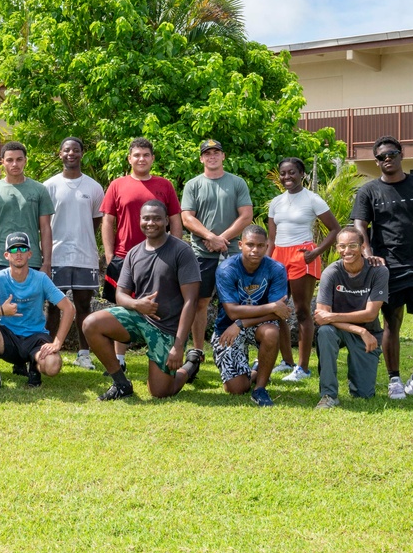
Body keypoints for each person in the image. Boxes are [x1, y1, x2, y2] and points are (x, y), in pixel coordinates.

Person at [351, 135, 413, 402]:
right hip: (388, 268)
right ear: (376, 162)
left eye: (391, 154)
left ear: (401, 154)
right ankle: (395, 380)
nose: (387, 160)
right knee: (391, 323)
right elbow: (360, 225)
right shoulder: (369, 191)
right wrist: (369, 254)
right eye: (381, 157)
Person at [82, 200, 202, 401]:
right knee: (90, 323)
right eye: (146, 218)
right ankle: (121, 384)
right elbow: (120, 295)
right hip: (139, 318)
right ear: (140, 221)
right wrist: (137, 304)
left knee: (160, 391)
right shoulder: (134, 253)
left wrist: (178, 346)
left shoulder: (181, 251)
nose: (151, 222)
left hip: (166, 328)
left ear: (166, 221)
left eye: (157, 218)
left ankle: (190, 365)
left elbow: (191, 301)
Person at [100, 137, 182, 372]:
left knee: (161, 304)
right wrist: (109, 256)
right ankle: (120, 359)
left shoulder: (164, 185)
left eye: (146, 155)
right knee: (124, 306)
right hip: (124, 256)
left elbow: (175, 220)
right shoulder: (117, 185)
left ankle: (162, 352)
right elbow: (108, 221)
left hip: (161, 257)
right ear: (129, 159)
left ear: (152, 158)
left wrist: (176, 251)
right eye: (136, 155)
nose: (141, 159)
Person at [181, 138, 253, 367]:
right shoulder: (193, 184)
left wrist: (223, 239)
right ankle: (197, 351)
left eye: (216, 152)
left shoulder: (237, 182)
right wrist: (211, 238)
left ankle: (230, 349)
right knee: (199, 302)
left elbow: (246, 216)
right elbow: (187, 217)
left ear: (223, 156)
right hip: (201, 253)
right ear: (201, 158)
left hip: (232, 254)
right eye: (207, 153)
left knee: (232, 303)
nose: (212, 156)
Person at [267, 157, 340, 382]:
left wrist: (317, 252)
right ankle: (286, 361)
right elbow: (271, 238)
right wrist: (267, 263)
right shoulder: (276, 202)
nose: (287, 177)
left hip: (303, 255)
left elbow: (335, 229)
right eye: (283, 173)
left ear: (302, 174)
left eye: (292, 173)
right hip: (279, 255)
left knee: (301, 311)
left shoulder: (312, 199)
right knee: (277, 309)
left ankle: (303, 367)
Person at [0, 233, 74, 391]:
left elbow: (69, 308)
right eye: (13, 250)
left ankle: (34, 367)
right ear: (6, 255)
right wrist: (1, 310)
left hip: (35, 338)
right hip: (8, 338)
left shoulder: (41, 279)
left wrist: (57, 343)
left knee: (53, 366)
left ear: (30, 254)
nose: (18, 253)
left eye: (23, 248)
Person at [43, 137, 105, 370]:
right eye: (67, 150)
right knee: (53, 306)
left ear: (81, 154)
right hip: (56, 256)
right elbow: (44, 223)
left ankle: (84, 354)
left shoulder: (94, 187)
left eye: (76, 150)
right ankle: (48, 351)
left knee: (84, 307)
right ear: (60, 154)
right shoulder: (48, 186)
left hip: (84, 256)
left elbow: (96, 222)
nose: (71, 154)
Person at [211, 225, 289, 407]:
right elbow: (232, 311)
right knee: (236, 389)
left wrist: (240, 323)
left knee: (271, 332)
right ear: (240, 245)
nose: (255, 250)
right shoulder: (226, 269)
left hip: (249, 325)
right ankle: (256, 371)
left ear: (267, 246)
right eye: (250, 245)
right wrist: (270, 307)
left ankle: (260, 389)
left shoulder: (276, 269)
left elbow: (279, 314)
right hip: (227, 327)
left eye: (261, 246)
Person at [312, 226, 389, 409]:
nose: (347, 251)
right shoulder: (331, 273)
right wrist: (359, 329)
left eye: (353, 245)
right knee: (325, 332)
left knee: (364, 394)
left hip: (369, 331)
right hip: (342, 330)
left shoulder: (378, 271)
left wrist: (333, 317)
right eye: (342, 246)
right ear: (337, 248)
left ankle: (356, 377)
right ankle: (329, 394)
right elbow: (321, 318)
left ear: (362, 247)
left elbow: (371, 314)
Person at [0, 141, 54, 281]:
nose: (15, 164)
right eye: (10, 160)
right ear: (2, 162)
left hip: (32, 260)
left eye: (19, 159)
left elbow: (45, 228)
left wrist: (47, 263)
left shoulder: (39, 190)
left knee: (31, 303)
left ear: (25, 161)